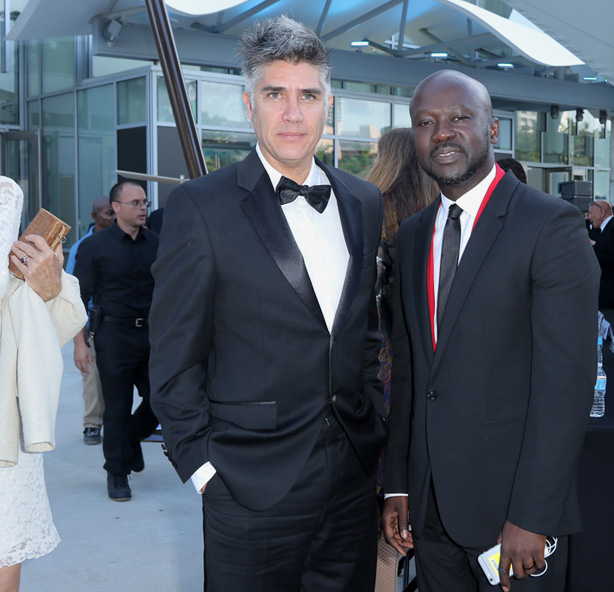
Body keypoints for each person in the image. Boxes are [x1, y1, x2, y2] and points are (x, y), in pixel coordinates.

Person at [149, 16, 387, 591]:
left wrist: (373, 426)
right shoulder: (200, 207)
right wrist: (202, 467)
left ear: (328, 104)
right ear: (247, 103)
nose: (292, 113)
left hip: (353, 479)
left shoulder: (363, 200)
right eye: (274, 94)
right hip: (247, 484)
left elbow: (364, 336)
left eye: (308, 95)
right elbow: (173, 353)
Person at [382, 70, 599, 592]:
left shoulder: (549, 225)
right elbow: (412, 375)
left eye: (459, 118)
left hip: (513, 518)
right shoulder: (412, 237)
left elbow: (566, 386)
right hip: (430, 511)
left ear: (494, 129)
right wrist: (397, 485)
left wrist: (534, 513)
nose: (443, 133)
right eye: (426, 123)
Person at [0, 177, 87, 592]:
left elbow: (36, 342)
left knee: (5, 553)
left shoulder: (5, 195)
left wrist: (47, 291)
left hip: (6, 432)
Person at [73, 181, 159, 502]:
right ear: (116, 208)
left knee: (162, 399)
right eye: (135, 202)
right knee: (117, 408)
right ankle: (117, 474)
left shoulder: (157, 243)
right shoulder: (95, 247)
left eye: (144, 202)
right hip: (114, 336)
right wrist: (80, 344)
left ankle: (130, 440)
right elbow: (78, 298)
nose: (142, 207)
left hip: (153, 335)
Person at [367, 127, 438, 444]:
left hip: (381, 347)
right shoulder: (439, 210)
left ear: (388, 159)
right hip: (431, 343)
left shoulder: (372, 208)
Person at [67, 196, 115, 446]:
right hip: (93, 321)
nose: (113, 217)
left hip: (120, 322)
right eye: (108, 213)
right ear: (95, 216)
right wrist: (80, 330)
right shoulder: (82, 247)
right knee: (91, 373)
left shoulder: (125, 240)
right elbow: (74, 290)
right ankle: (92, 424)